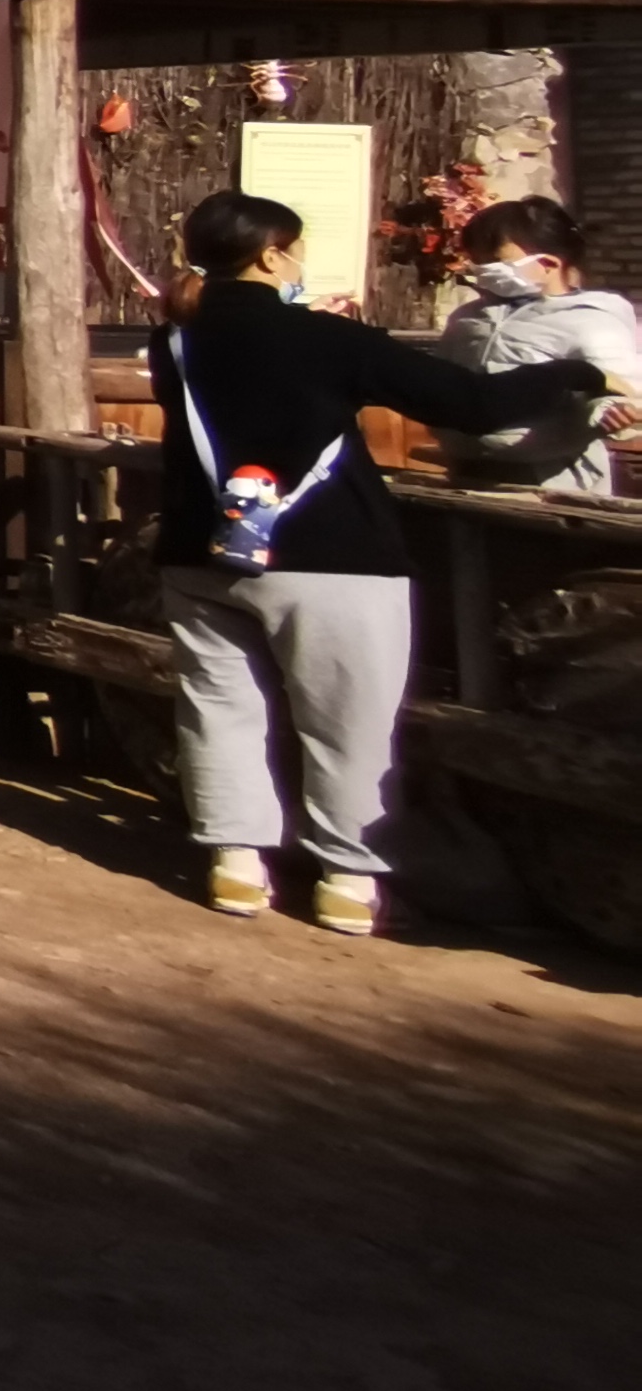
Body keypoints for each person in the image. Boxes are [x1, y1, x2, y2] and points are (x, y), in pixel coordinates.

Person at [150, 190, 610, 935]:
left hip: (203, 552)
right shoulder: (332, 340)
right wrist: (577, 376)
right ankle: (346, 878)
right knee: (347, 724)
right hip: (333, 557)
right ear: (273, 254)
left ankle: (235, 865)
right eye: (294, 249)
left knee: (220, 713)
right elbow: (472, 404)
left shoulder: (173, 343)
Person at [432, 196, 642, 501]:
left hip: (548, 481)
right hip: (466, 473)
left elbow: (622, 388)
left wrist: (611, 412)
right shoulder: (468, 318)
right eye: (478, 259)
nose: (483, 270)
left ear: (549, 264)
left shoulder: (591, 320)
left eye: (496, 261)